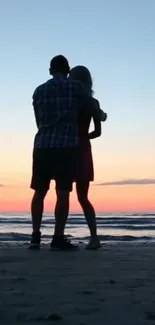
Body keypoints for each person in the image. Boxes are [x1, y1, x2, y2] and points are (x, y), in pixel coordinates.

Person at [29, 55, 100, 250]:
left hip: (42, 145)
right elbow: (92, 105)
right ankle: (57, 238)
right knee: (62, 193)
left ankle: (35, 237)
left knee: (39, 192)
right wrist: (101, 116)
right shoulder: (75, 88)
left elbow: (38, 120)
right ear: (67, 71)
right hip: (66, 147)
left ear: (50, 70)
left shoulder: (38, 90)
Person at [70, 66, 107, 249]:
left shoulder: (69, 100)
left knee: (63, 193)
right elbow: (98, 132)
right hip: (84, 148)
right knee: (83, 197)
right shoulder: (93, 102)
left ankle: (58, 234)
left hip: (67, 147)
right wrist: (84, 137)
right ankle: (94, 237)